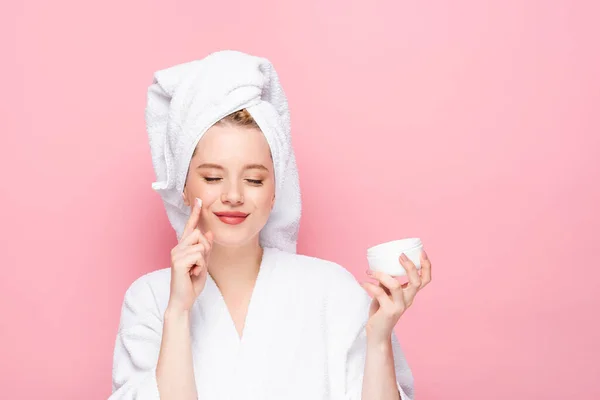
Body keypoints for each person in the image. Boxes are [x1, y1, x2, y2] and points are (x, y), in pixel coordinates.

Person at [110, 50, 431, 400]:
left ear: (277, 190)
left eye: (255, 180)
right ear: (183, 188)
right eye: (213, 177)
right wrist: (178, 312)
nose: (233, 195)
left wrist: (379, 338)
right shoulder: (151, 300)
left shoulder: (332, 289)